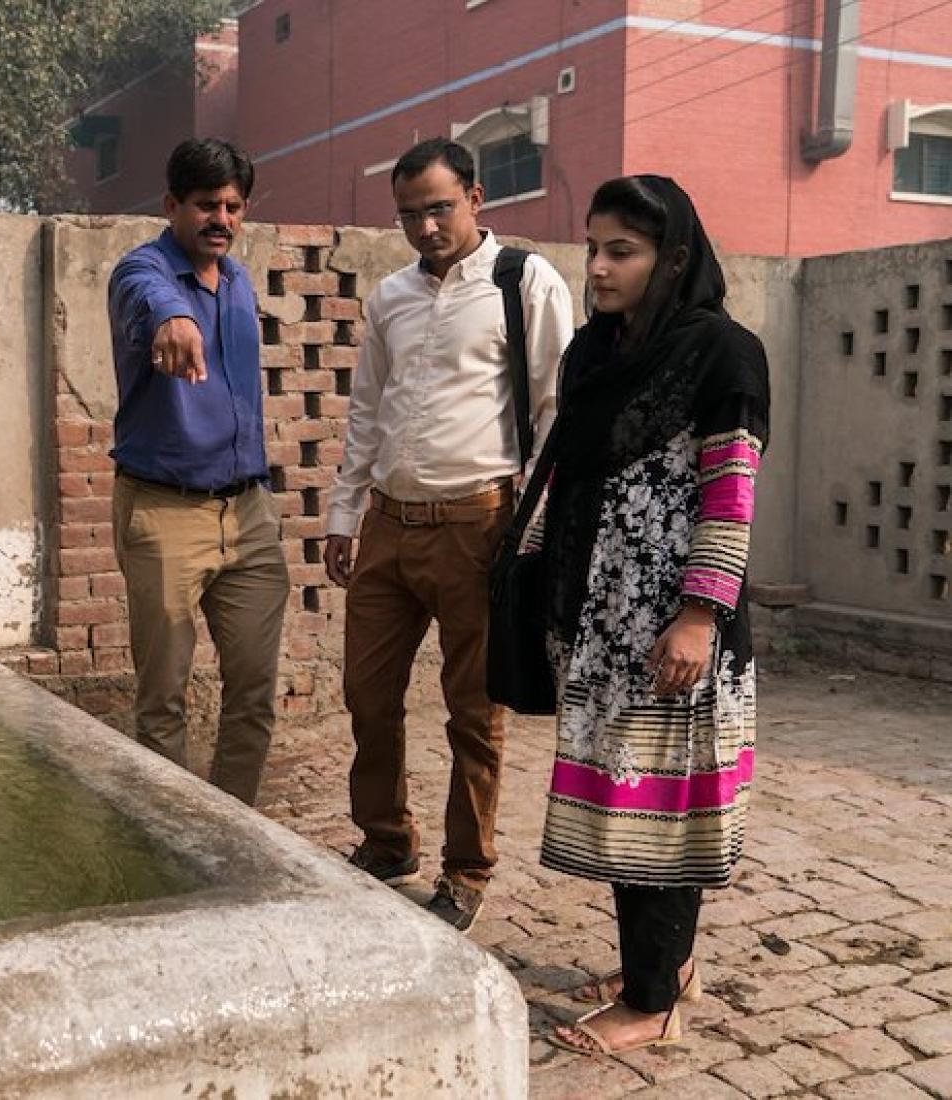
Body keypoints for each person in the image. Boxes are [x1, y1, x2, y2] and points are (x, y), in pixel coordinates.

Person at [528, 176, 769, 1055]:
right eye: (591, 246)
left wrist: (701, 614)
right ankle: (668, 971)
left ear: (673, 260)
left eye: (619, 251)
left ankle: (651, 1003)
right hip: (601, 624)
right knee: (634, 812)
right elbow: (567, 472)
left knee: (661, 818)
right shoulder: (597, 353)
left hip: (673, 628)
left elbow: (731, 492)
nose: (595, 267)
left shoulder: (722, 355)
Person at [324, 137, 574, 930]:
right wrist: (343, 514)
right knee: (367, 694)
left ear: (475, 199)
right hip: (389, 526)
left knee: (474, 708)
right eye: (408, 213)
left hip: (480, 524)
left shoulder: (523, 282)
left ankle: (466, 870)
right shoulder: (391, 296)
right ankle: (387, 839)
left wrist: (531, 533)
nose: (425, 227)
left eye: (438, 207)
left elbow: (552, 416)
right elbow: (367, 409)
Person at [105, 138, 289, 806]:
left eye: (234, 206)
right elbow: (146, 292)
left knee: (255, 691)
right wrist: (174, 315)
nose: (223, 219)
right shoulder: (141, 272)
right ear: (171, 205)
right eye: (207, 204)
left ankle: (233, 828)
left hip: (248, 513)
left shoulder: (237, 280)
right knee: (164, 700)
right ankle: (171, 837)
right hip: (166, 512)